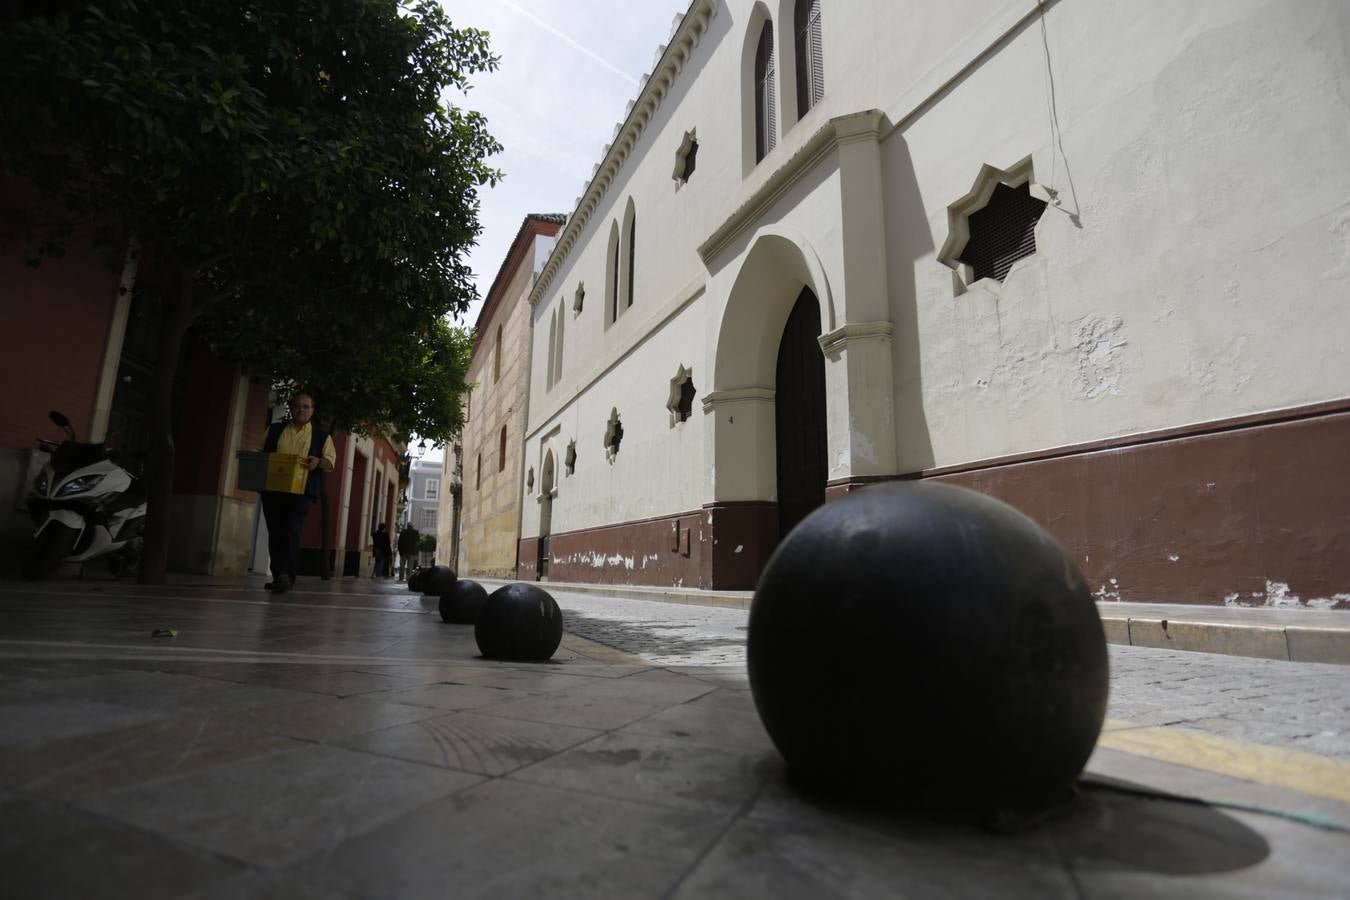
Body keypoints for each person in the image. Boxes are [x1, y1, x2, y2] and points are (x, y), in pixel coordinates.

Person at [259, 393, 336, 593]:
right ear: (291, 408)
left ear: (312, 411)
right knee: (275, 532)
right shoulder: (275, 430)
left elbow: (330, 463)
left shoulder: (322, 437)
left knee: (292, 529)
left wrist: (318, 462)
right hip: (273, 489)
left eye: (306, 406)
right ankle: (278, 575)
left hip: (303, 492)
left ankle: (286, 575)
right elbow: (259, 454)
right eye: (297, 406)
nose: (301, 410)